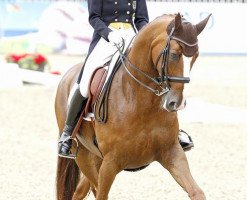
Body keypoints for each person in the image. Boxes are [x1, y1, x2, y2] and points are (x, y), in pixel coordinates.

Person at [58, 0, 193, 159]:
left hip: (133, 37)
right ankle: (68, 134)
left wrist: (143, 36)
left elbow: (141, 19)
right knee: (85, 81)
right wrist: (109, 34)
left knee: (157, 76)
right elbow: (94, 18)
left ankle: (174, 132)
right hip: (106, 38)